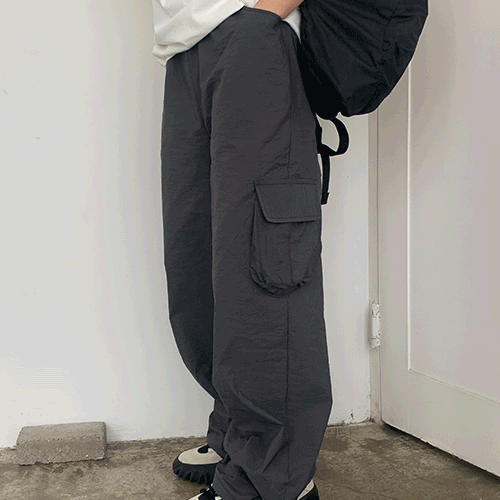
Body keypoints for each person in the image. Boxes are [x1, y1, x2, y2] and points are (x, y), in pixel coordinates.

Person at [152, 1, 333, 498]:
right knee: (200, 260)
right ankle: (238, 437)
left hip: (253, 31)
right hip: (184, 46)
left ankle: (275, 477)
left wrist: (264, 15)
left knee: (265, 264)